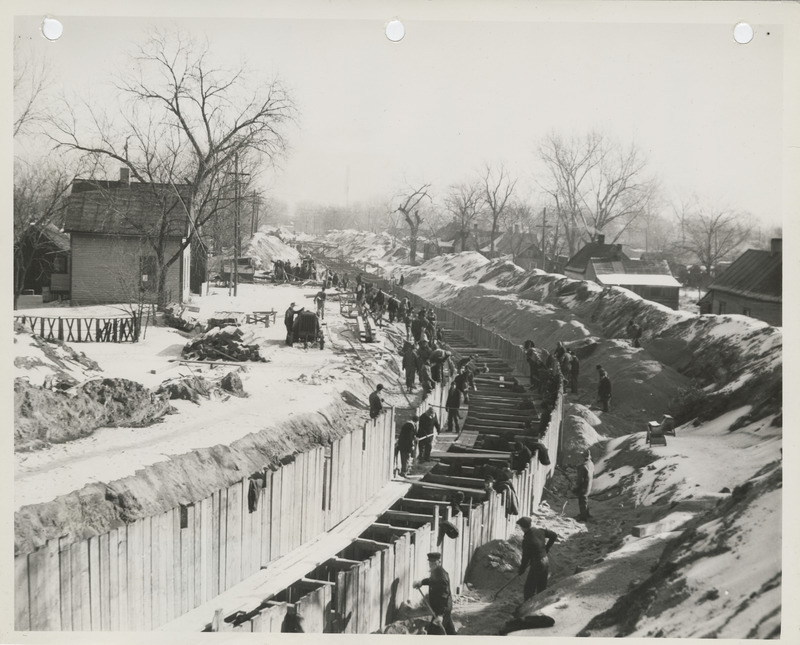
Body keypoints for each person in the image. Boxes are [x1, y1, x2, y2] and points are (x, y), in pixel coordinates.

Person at [516, 516, 558, 600]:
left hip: (537, 563)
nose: (520, 528)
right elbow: (554, 535)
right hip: (545, 560)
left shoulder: (527, 540)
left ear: (523, 527)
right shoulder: (540, 531)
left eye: (520, 527)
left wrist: (522, 569)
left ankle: (527, 608)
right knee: (542, 587)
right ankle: (540, 605)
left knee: (529, 588)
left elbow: (525, 558)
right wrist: (546, 548)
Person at [414, 552, 455, 635]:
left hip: (442, 609)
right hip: (443, 609)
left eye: (434, 562)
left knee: (433, 634)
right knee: (450, 633)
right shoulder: (436, 572)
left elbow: (444, 596)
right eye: (430, 562)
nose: (431, 564)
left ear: (439, 562)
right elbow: (432, 581)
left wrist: (440, 615)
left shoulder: (441, 576)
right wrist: (421, 582)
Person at [574, 449, 595, 521]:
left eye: (581, 456)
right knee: (585, 499)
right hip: (589, 485)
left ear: (583, 457)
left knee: (582, 500)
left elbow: (580, 479)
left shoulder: (583, 466)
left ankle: (583, 517)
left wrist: (576, 487)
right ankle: (587, 514)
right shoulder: (591, 463)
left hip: (584, 486)